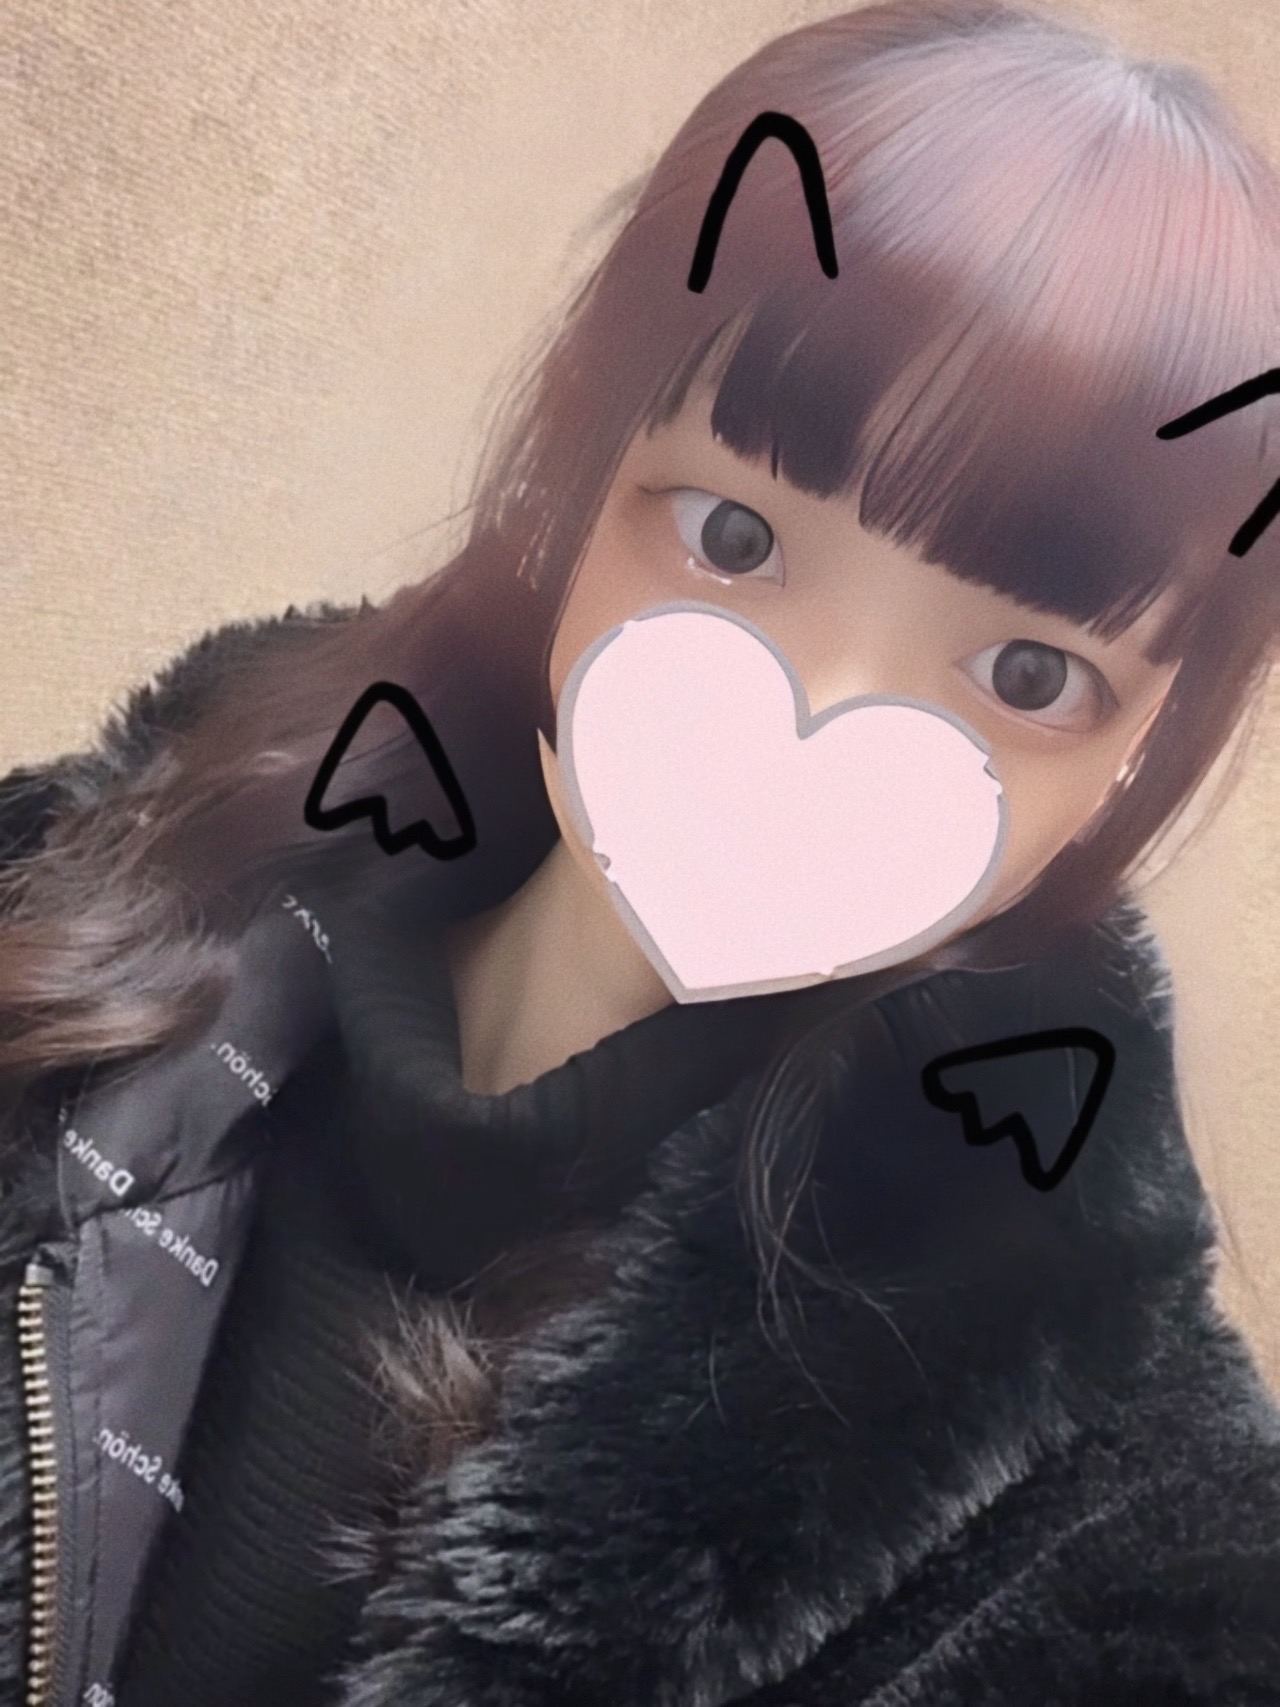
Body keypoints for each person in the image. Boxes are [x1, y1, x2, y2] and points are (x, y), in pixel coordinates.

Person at [1, 1, 1278, 1702]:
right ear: (586, 467)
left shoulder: (1130, 1546)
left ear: (1133, 760)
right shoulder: (79, 885)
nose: (819, 711)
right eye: (733, 534)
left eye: (1031, 677)